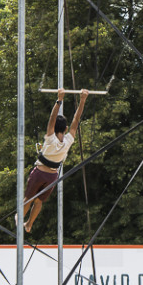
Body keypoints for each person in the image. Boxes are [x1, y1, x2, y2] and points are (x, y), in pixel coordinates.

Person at [23, 88, 89, 233]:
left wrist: (59, 100)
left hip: (40, 172)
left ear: (53, 128)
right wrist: (83, 100)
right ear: (65, 128)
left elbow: (52, 119)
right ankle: (29, 224)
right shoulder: (69, 140)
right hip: (52, 176)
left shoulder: (50, 137)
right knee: (39, 201)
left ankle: (21, 217)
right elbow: (76, 120)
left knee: (28, 198)